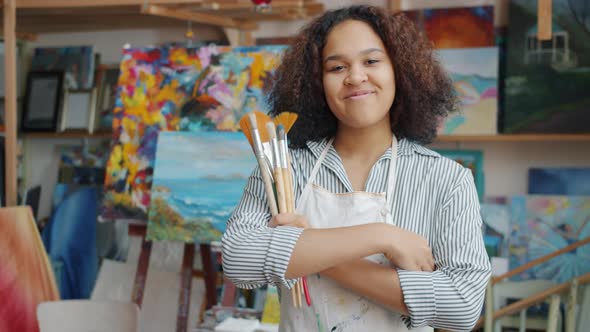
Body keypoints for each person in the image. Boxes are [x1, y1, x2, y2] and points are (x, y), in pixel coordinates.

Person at [222, 5, 491, 331]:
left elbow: (462, 307)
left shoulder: (446, 179)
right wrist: (382, 237)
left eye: (372, 61)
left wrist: (310, 248)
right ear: (316, 82)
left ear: (400, 71)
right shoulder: (284, 167)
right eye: (336, 67)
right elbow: (237, 259)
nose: (355, 77)